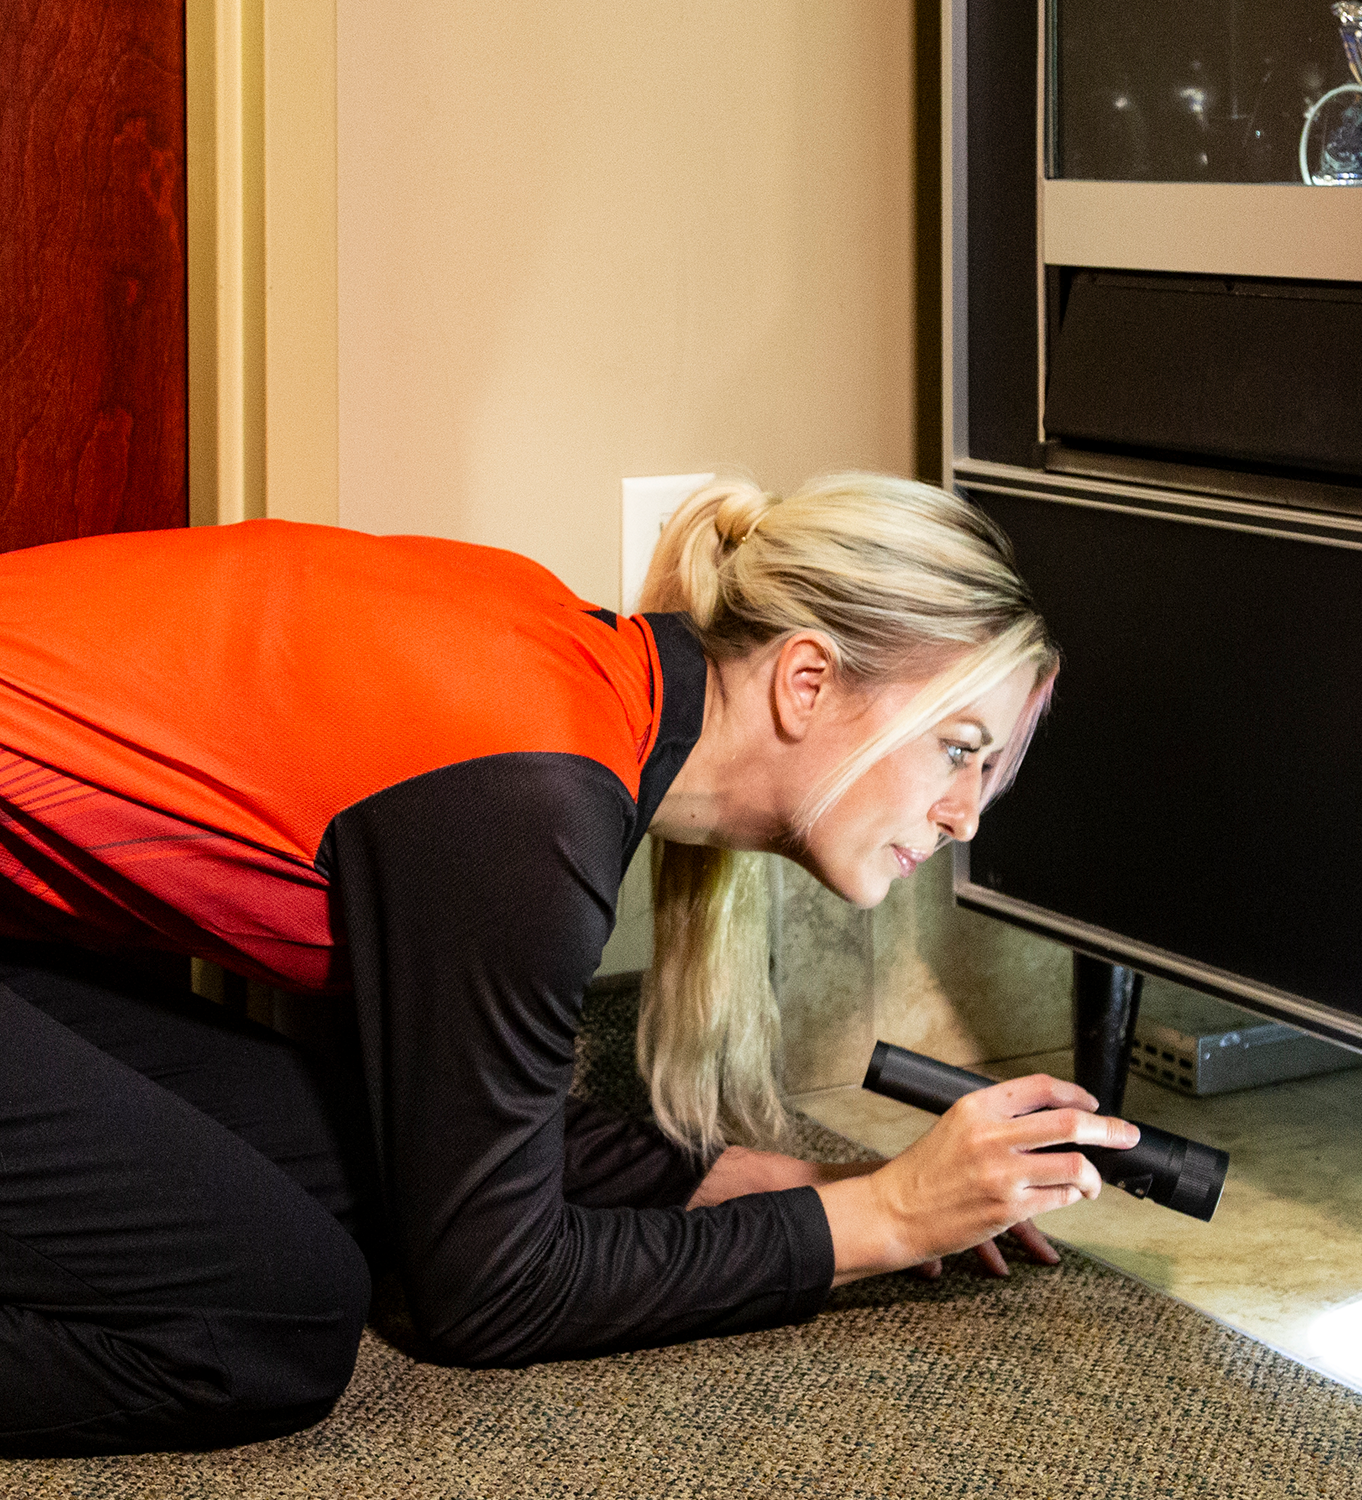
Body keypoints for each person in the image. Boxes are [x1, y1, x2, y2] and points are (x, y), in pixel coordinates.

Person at [0, 472, 1139, 1457]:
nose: (964, 816)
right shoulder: (532, 799)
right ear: (806, 682)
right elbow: (487, 1296)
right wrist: (886, 1218)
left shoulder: (568, 686)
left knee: (361, 1170)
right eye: (957, 749)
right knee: (268, 1324)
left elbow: (464, 1111)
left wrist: (690, 1181)